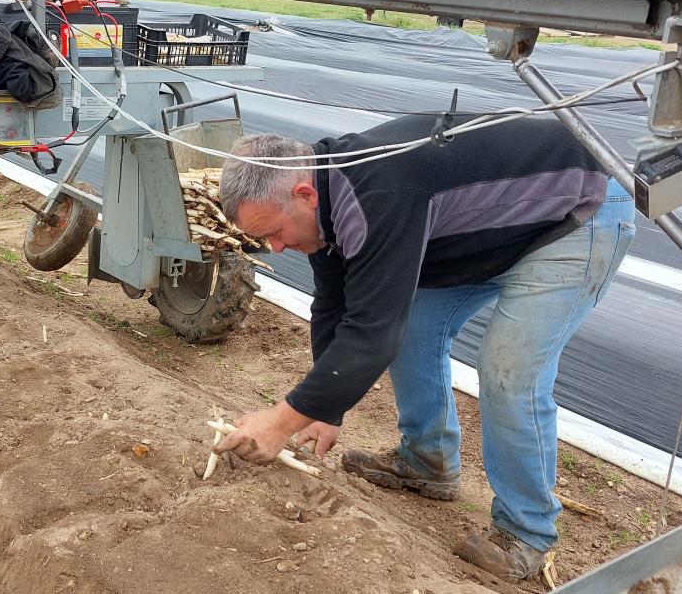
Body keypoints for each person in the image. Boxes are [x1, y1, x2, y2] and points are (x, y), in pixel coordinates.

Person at [211, 115, 635, 581]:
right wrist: (324, 412)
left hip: (576, 209)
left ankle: (526, 533)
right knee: (411, 328)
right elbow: (335, 304)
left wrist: (280, 421)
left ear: (304, 196)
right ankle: (427, 462)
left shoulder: (376, 194)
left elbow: (372, 333)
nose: (273, 248)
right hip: (494, 224)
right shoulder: (324, 196)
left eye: (273, 232)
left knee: (508, 372)